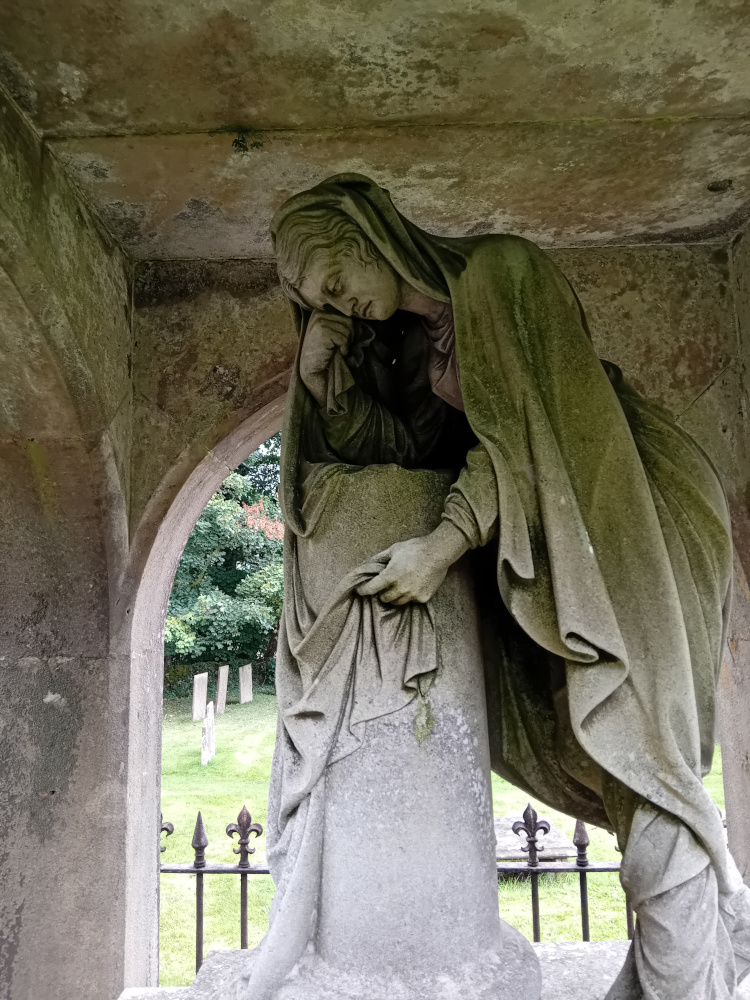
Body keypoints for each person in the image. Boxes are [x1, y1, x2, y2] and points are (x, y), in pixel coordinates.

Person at [269, 173, 750, 999]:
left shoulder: (500, 274)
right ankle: (698, 944)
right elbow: (411, 454)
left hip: (627, 513)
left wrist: (439, 548)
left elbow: (526, 440)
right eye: (321, 303)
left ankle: (694, 968)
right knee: (609, 752)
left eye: (338, 284)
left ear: (369, 236)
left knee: (646, 753)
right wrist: (325, 385)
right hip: (543, 545)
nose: (341, 306)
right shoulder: (415, 344)